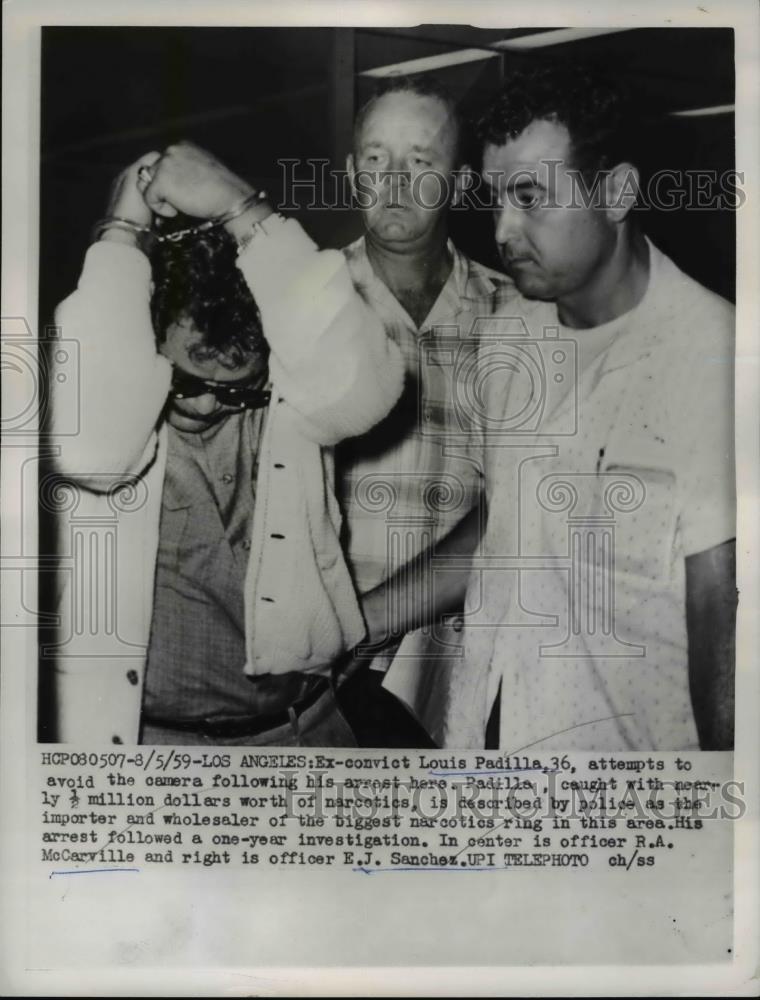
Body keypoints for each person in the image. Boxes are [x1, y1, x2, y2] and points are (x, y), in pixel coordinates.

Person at [49, 143, 404, 746]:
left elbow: (364, 391)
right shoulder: (108, 381)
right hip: (161, 754)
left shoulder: (292, 386)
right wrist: (121, 233)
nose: (207, 404)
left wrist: (240, 207)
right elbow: (91, 453)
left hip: (307, 728)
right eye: (185, 380)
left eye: (236, 391)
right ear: (147, 334)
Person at [443, 62, 736, 751]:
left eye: (528, 196)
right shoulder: (508, 336)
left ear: (616, 192)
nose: (503, 230)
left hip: (624, 809)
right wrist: (358, 622)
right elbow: (506, 532)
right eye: (494, 199)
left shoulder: (716, 361)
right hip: (485, 768)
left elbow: (724, 629)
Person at [333, 76, 517, 747]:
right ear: (353, 173)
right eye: (377, 159)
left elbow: (523, 513)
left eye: (421, 161)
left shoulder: (517, 317)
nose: (396, 182)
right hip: (320, 678)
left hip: (460, 677)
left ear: (460, 180)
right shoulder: (304, 306)